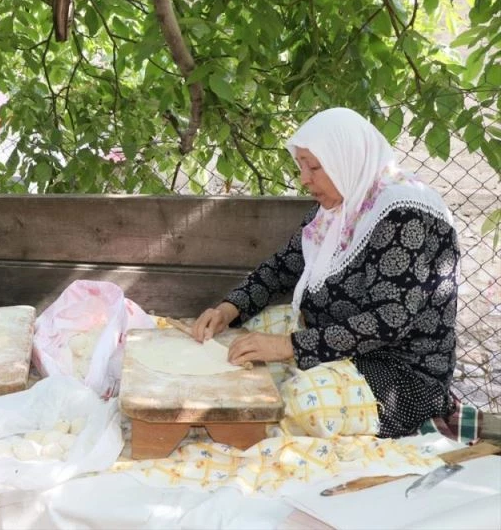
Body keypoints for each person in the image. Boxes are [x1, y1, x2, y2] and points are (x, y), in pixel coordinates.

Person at [192, 107, 460, 438]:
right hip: (335, 346)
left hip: (400, 373)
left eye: (314, 167)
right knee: (233, 339)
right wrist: (226, 309)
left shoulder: (405, 214)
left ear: (345, 160)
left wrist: (286, 347)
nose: (304, 178)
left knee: (301, 401)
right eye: (301, 166)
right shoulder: (338, 209)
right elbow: (282, 267)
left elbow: (388, 320)